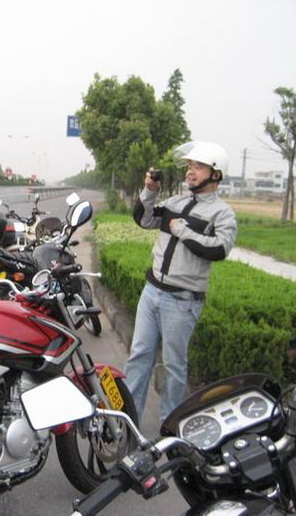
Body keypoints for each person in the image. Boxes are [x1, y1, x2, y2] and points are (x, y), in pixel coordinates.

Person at [124, 141, 237, 422]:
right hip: (152, 292)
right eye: (189, 166)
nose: (190, 172)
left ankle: (170, 427)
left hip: (182, 301)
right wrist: (150, 192)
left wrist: (185, 232)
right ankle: (128, 420)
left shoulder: (222, 213)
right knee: (139, 356)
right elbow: (144, 219)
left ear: (216, 174)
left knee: (174, 367)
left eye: (198, 167)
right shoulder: (176, 203)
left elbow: (220, 248)